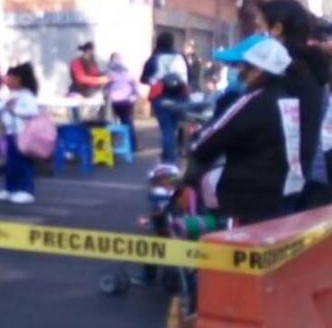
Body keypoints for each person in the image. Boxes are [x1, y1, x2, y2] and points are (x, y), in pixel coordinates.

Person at [189, 39, 300, 224]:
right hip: (284, 189)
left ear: (258, 70)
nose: (241, 73)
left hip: (247, 194)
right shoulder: (290, 100)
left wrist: (195, 148)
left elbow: (212, 139)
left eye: (245, 67)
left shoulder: (255, 100)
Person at [257, 0, 331, 209]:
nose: (256, 36)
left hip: (284, 177)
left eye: (259, 28)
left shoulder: (287, 69)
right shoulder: (315, 67)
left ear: (277, 29)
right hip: (311, 172)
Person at [0, 63, 41, 205]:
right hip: (10, 132)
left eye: (11, 77)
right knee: (11, 162)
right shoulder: (12, 94)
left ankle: (26, 190)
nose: (7, 80)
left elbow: (32, 112)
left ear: (20, 79)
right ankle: (10, 188)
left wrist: (14, 110)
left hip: (22, 133)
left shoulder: (27, 95)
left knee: (23, 162)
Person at [141, 33, 190, 165]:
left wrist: (156, 78)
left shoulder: (154, 58)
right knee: (173, 128)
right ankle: (167, 155)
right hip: (180, 97)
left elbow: (144, 79)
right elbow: (189, 76)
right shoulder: (181, 57)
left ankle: (169, 160)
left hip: (161, 97)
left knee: (166, 129)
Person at [105, 52, 139, 151]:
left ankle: (110, 145)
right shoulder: (127, 71)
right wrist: (134, 96)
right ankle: (132, 146)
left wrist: (106, 95)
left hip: (114, 100)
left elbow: (106, 86)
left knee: (110, 123)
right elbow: (134, 85)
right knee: (128, 122)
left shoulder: (109, 72)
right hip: (127, 100)